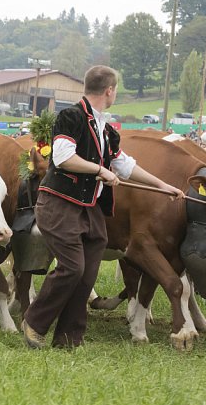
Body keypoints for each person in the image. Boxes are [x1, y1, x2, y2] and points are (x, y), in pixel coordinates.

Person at [21, 65, 186, 348]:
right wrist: (101, 170)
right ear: (110, 91)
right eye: (116, 90)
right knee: (72, 268)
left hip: (90, 208)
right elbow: (62, 158)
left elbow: (124, 165)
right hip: (59, 204)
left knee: (87, 274)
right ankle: (34, 322)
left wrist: (162, 186)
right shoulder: (70, 117)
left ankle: (69, 338)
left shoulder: (106, 129)